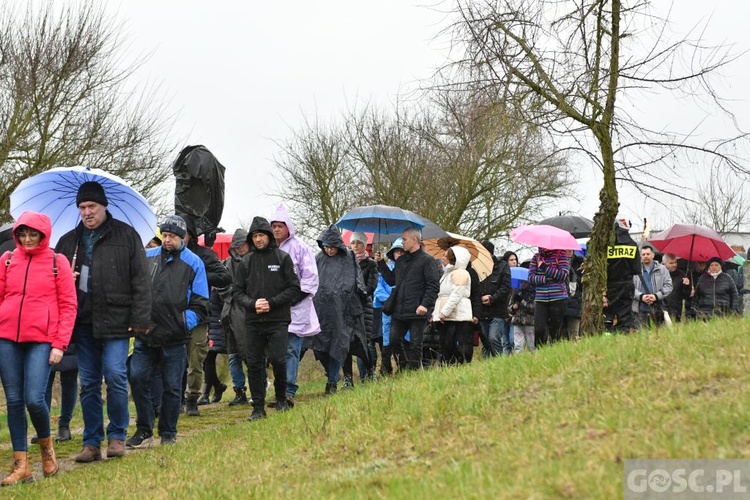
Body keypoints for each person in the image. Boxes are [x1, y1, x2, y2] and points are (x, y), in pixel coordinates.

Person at [55, 181, 151, 463]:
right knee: (89, 383)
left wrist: (140, 319)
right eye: (82, 207)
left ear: (104, 206)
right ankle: (92, 442)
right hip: (82, 322)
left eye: (91, 206)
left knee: (116, 376)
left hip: (117, 320)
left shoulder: (127, 235)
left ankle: (118, 436)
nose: (87, 212)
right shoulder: (67, 242)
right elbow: (53, 282)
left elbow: (142, 280)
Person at [0, 212, 77, 485]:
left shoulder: (58, 262)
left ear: (44, 235)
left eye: (33, 234)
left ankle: (46, 448)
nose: (27, 239)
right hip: (7, 338)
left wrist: (59, 344)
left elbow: (69, 306)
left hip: (43, 340)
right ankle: (21, 464)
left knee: (34, 398)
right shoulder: (7, 260)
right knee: (14, 401)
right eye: (22, 233)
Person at [127, 216, 209, 447]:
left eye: (172, 236)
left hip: (174, 337)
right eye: (164, 235)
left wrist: (183, 323)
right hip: (146, 333)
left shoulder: (194, 263)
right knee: (137, 378)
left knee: (172, 387)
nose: (167, 239)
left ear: (182, 237)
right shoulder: (148, 257)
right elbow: (134, 288)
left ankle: (168, 432)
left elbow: (202, 302)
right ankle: (144, 428)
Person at [232, 217, 301, 421]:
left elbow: (294, 288)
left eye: (261, 235)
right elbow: (237, 292)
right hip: (253, 321)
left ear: (269, 236)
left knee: (279, 360)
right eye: (254, 236)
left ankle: (281, 400)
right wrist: (252, 303)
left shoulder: (282, 258)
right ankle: (258, 408)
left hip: (278, 319)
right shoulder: (246, 262)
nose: (258, 239)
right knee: (253, 363)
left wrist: (272, 302)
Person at [269, 204, 320, 407]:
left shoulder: (300, 247)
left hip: (296, 307)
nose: (277, 230)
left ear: (288, 226)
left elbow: (310, 278)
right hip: (274, 308)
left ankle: (289, 390)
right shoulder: (269, 250)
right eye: (274, 226)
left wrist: (291, 298)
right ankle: (279, 390)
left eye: (280, 226)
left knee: (291, 349)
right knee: (275, 351)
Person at [181, 217, 231, 417]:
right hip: (172, 314)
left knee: (196, 359)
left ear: (191, 236)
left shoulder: (204, 255)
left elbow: (225, 276)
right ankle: (176, 399)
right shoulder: (166, 256)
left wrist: (199, 276)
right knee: (176, 361)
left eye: (182, 234)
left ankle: (192, 397)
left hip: (199, 313)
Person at [312, 225, 370, 394]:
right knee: (320, 347)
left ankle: (332, 383)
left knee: (338, 346)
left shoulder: (348, 257)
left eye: (332, 246)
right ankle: (333, 376)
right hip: (321, 310)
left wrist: (354, 302)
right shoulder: (318, 259)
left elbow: (355, 282)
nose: (329, 250)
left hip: (342, 311)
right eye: (326, 246)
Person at [375, 227, 440, 371]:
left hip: (417, 311)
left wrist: (424, 305)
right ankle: (405, 368)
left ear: (414, 240)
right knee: (393, 340)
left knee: (416, 344)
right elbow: (392, 280)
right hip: (400, 310)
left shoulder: (427, 261)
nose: (402, 242)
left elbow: (433, 285)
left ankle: (413, 373)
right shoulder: (401, 260)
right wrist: (380, 263)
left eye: (404, 239)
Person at [218, 229, 252, 406]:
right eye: (237, 246)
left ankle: (257, 389)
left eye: (243, 244)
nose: (240, 249)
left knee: (251, 355)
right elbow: (221, 286)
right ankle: (239, 392)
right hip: (229, 314)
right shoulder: (227, 264)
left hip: (248, 314)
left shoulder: (255, 261)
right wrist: (233, 293)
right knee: (233, 355)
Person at [343, 232, 378, 386]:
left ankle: (370, 372)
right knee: (345, 343)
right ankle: (348, 378)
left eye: (359, 243)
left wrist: (359, 293)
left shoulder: (371, 264)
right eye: (353, 243)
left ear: (365, 245)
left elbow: (372, 286)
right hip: (347, 307)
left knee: (365, 342)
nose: (355, 246)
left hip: (364, 306)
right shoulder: (345, 262)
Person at [433, 246, 474, 364]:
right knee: (446, 345)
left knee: (452, 345)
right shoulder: (448, 273)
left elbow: (456, 295)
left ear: (453, 259)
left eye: (446, 256)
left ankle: (458, 365)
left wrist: (444, 312)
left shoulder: (460, 273)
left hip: (456, 316)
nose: (443, 258)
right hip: (449, 315)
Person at [373, 239, 405, 377]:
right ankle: (386, 369)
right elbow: (378, 286)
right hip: (387, 309)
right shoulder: (384, 268)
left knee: (403, 338)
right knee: (386, 338)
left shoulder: (408, 269)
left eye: (402, 251)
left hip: (403, 308)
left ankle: (403, 367)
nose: (400, 254)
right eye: (398, 251)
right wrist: (389, 301)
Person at [603, 219, 640, 332]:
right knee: (624, 319)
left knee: (607, 318)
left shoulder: (607, 246)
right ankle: (623, 339)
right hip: (627, 287)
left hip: (610, 287)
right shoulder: (633, 245)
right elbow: (636, 269)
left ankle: (607, 341)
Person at [476, 242, 512, 357]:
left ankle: (499, 361)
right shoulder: (477, 267)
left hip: (497, 311)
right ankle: (485, 366)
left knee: (493, 338)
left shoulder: (503, 266)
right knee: (485, 342)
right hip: (482, 311)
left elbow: (506, 287)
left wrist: (492, 298)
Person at [528, 247, 569, 345]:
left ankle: (556, 353)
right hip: (541, 298)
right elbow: (531, 278)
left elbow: (563, 275)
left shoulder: (561, 255)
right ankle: (539, 354)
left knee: (555, 331)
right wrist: (546, 279)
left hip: (558, 297)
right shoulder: (536, 257)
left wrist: (545, 268)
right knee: (539, 329)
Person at [197, 288, 228, 405]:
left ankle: (207, 392)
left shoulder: (220, 286)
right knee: (207, 357)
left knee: (209, 356)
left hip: (220, 325)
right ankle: (214, 388)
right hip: (210, 325)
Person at [632, 244, 673, 329]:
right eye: (643, 254)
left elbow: (668, 286)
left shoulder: (662, 269)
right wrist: (641, 296)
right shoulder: (635, 270)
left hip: (658, 308)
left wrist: (656, 296)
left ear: (653, 255)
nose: (646, 256)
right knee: (643, 337)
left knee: (661, 336)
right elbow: (630, 287)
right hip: (640, 309)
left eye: (648, 254)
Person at [662, 253, 691, 322]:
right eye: (671, 263)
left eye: (675, 262)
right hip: (661, 309)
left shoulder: (681, 275)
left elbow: (686, 296)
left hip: (676, 310)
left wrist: (687, 286)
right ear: (664, 264)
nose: (674, 265)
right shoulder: (658, 274)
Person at [509, 279, 536, 353]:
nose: (523, 284)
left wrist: (522, 301)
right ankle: (518, 363)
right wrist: (513, 307)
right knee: (518, 346)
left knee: (531, 346)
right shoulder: (517, 292)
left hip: (529, 323)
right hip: (517, 322)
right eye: (521, 282)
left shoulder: (534, 293)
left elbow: (533, 309)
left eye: (525, 282)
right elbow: (509, 308)